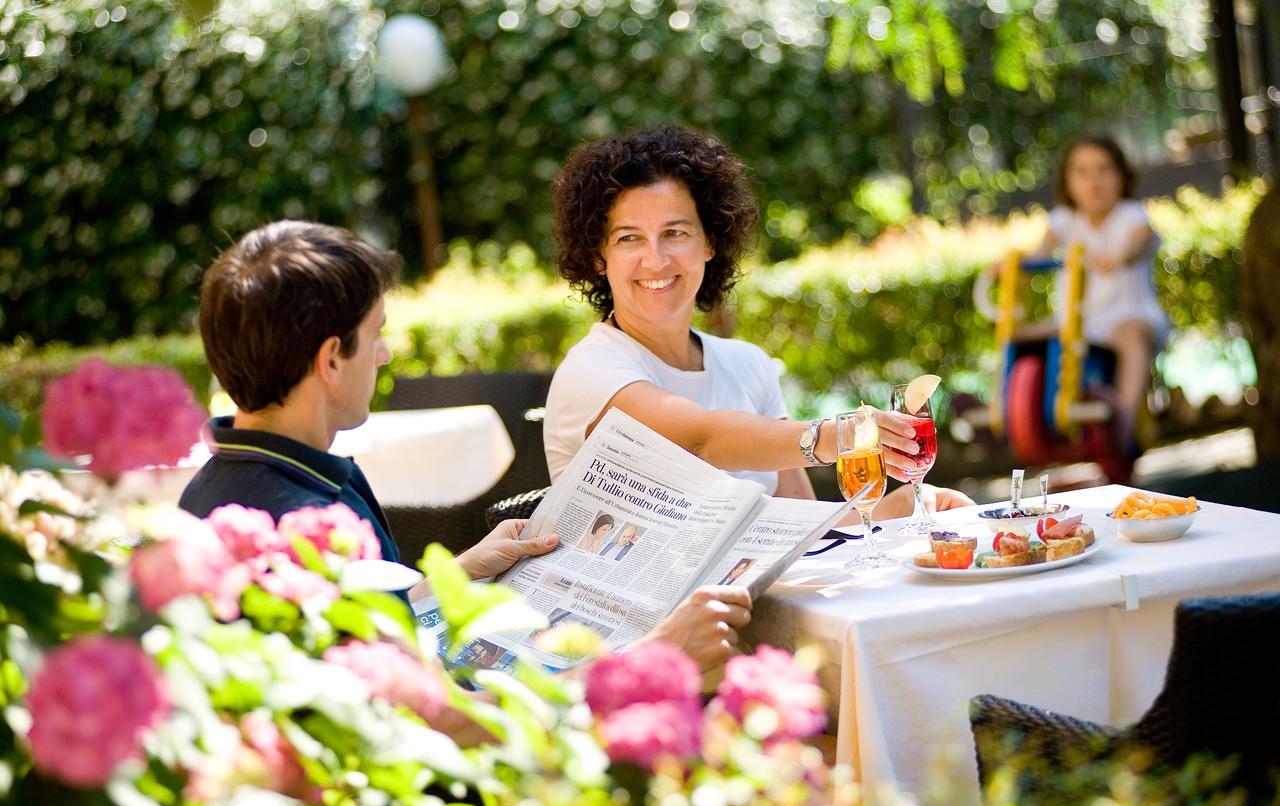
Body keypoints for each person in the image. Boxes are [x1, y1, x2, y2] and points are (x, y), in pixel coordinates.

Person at [181, 220, 751, 674]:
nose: (383, 356)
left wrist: (464, 570)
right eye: (376, 333)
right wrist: (658, 654)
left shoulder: (226, 484)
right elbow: (434, 726)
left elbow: (362, 630)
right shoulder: (300, 525)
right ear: (331, 360)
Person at [543, 126, 973, 517]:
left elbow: (803, 522)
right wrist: (841, 435)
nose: (655, 259)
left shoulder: (748, 364)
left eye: (675, 233)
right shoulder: (593, 371)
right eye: (629, 238)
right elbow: (702, 439)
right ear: (599, 256)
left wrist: (902, 508)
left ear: (710, 243)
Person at [1011, 136, 1170, 449]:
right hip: (1077, 320)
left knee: (1132, 339)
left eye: (1103, 170)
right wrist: (1012, 266)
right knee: (1016, 334)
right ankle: (1006, 406)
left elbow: (1142, 238)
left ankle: (1122, 424)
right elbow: (1041, 253)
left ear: (1122, 177)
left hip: (1127, 314)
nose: (1093, 181)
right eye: (1082, 173)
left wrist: (1121, 256)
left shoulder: (1131, 215)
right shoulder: (1064, 220)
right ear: (1068, 183)